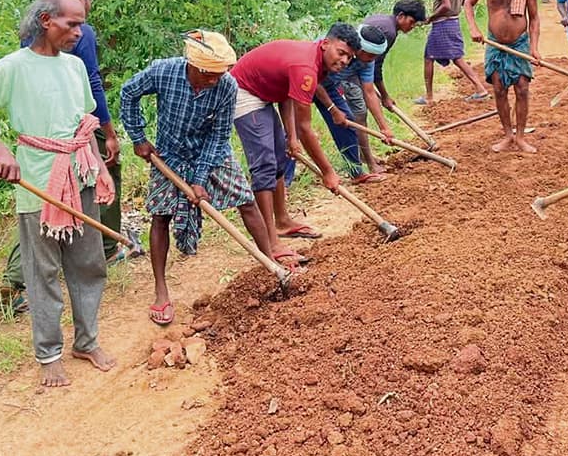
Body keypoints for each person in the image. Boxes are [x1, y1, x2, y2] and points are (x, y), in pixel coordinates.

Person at [0, 0, 117, 388]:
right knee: (41, 271)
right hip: (38, 181)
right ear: (46, 20)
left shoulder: (75, 67)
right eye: (71, 24)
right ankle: (49, 353)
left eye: (81, 24)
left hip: (81, 174)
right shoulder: (13, 67)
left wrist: (97, 167)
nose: (79, 31)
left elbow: (84, 121)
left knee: (89, 262)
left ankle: (87, 341)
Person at [120, 31, 295, 326]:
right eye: (210, 75)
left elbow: (218, 135)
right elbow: (128, 93)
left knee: (246, 202)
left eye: (220, 74)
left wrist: (200, 179)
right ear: (194, 67)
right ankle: (161, 290)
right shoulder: (164, 71)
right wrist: (138, 138)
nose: (216, 80)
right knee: (160, 215)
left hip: (212, 153)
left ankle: (269, 264)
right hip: (170, 154)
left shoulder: (227, 86)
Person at [0, 0, 126, 316]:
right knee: (94, 184)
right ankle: (106, 246)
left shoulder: (34, 29)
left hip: (44, 135)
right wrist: (109, 132)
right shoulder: (74, 32)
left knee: (42, 208)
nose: (78, 28)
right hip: (72, 131)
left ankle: (15, 280)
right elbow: (93, 84)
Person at [231, 25, 357, 243]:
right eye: (341, 52)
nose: (345, 61)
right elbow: (306, 128)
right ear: (326, 44)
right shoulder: (306, 66)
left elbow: (287, 95)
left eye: (349, 57)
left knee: (279, 157)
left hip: (264, 93)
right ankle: (271, 242)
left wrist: (291, 137)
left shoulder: (315, 61)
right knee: (265, 165)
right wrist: (327, 171)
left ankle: (282, 222)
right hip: (243, 91)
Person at [464, 0, 542, 153]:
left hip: (519, 43)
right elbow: (468, 3)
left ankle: (521, 137)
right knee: (499, 88)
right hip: (495, 43)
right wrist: (473, 28)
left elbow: (534, 18)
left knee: (522, 88)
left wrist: (534, 47)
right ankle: (508, 135)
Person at [315, 23, 395, 183]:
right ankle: (285, 181)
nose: (372, 61)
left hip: (329, 86)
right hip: (308, 81)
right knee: (294, 132)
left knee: (348, 124)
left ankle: (356, 172)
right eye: (370, 56)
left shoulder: (366, 61)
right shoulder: (333, 50)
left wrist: (384, 127)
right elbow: (314, 81)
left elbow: (369, 92)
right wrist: (332, 108)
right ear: (360, 50)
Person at [422, 0, 488, 104]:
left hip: (441, 24)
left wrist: (431, 18)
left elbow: (445, 5)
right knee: (456, 57)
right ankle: (480, 88)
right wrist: (460, 5)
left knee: (430, 58)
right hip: (454, 22)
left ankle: (430, 97)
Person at [362, 0, 427, 112]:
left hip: (354, 64)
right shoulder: (389, 32)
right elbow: (376, 66)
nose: (412, 26)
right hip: (352, 67)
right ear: (401, 16)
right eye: (411, 22)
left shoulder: (381, 19)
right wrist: (385, 96)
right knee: (361, 108)